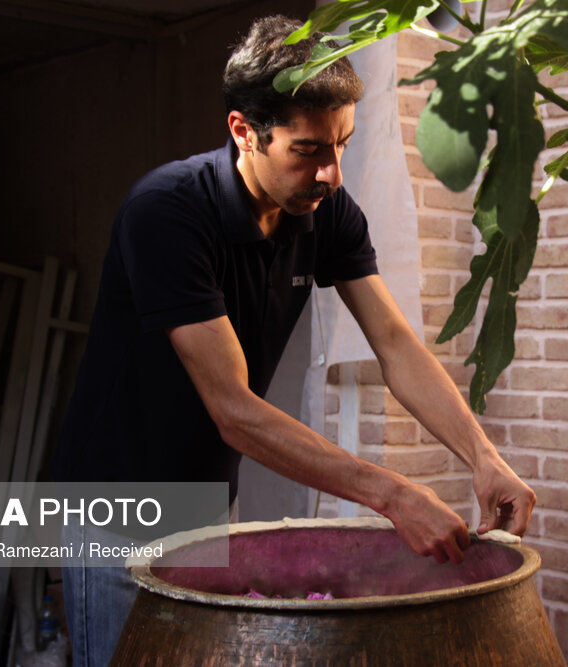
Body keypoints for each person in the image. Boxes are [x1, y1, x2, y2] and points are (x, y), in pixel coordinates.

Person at [51, 14, 536, 666]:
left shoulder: (325, 209)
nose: (332, 172)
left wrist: (482, 457)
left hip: (200, 504)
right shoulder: (165, 212)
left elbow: (395, 342)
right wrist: (391, 494)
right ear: (244, 132)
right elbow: (234, 409)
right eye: (308, 150)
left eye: (342, 145)